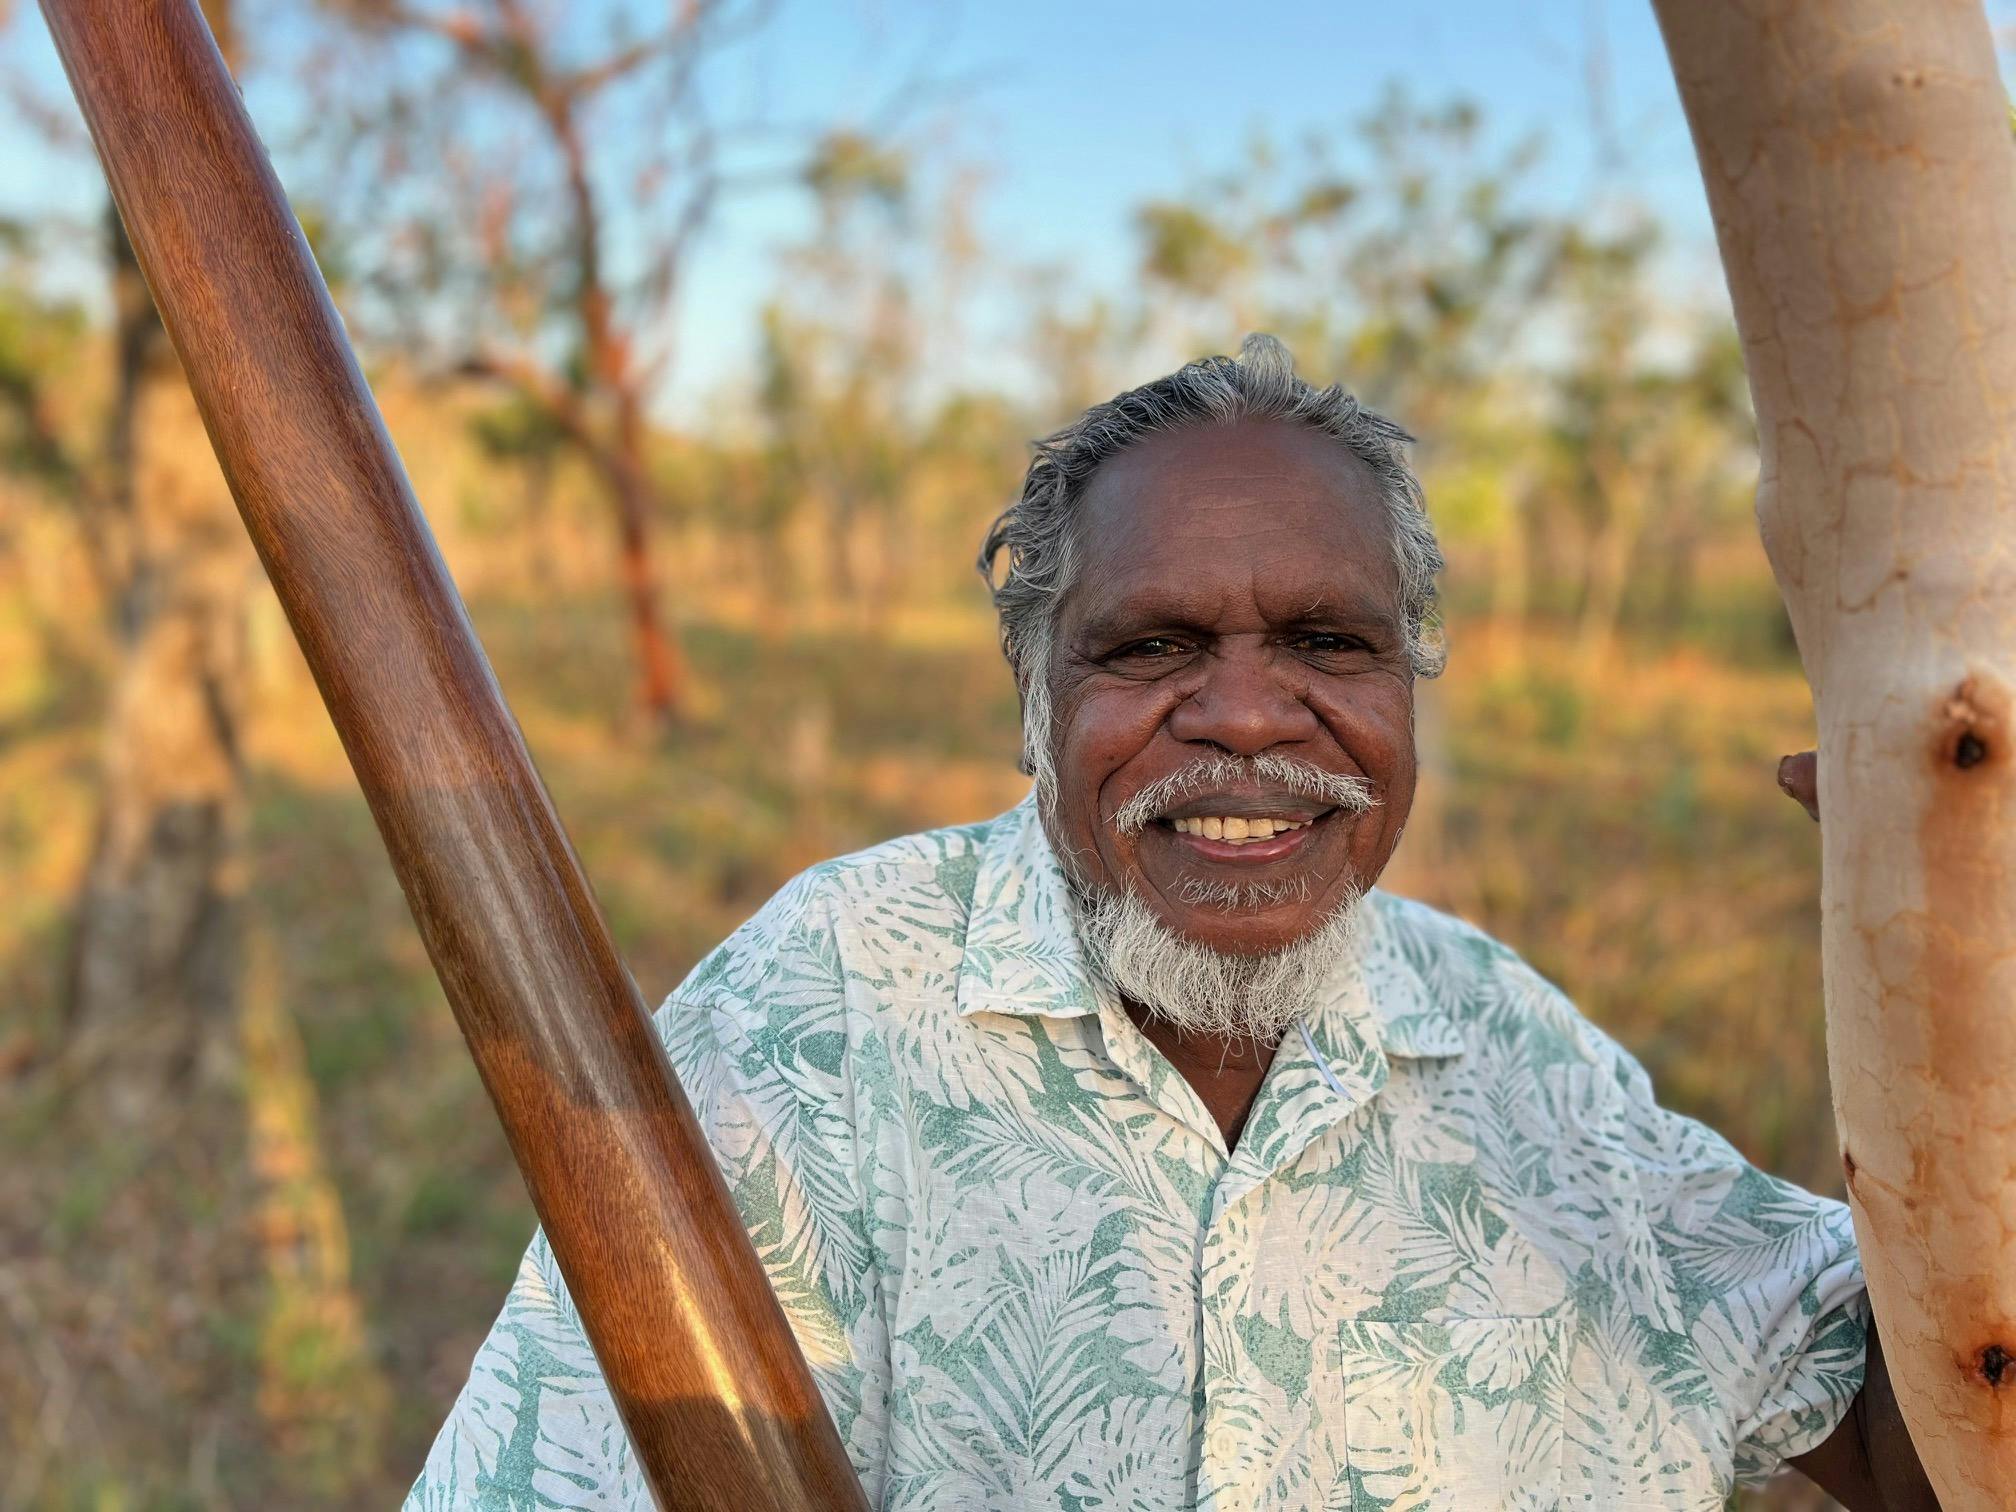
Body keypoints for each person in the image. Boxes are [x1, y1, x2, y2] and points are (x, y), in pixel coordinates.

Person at [408, 335, 1935, 1509]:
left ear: (1407, 691)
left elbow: (1905, 1418)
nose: (1251, 718)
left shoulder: (1510, 1046)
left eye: (1331, 643)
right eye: (1154, 648)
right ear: (1035, 700)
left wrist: (1959, 961)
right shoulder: (828, 1007)